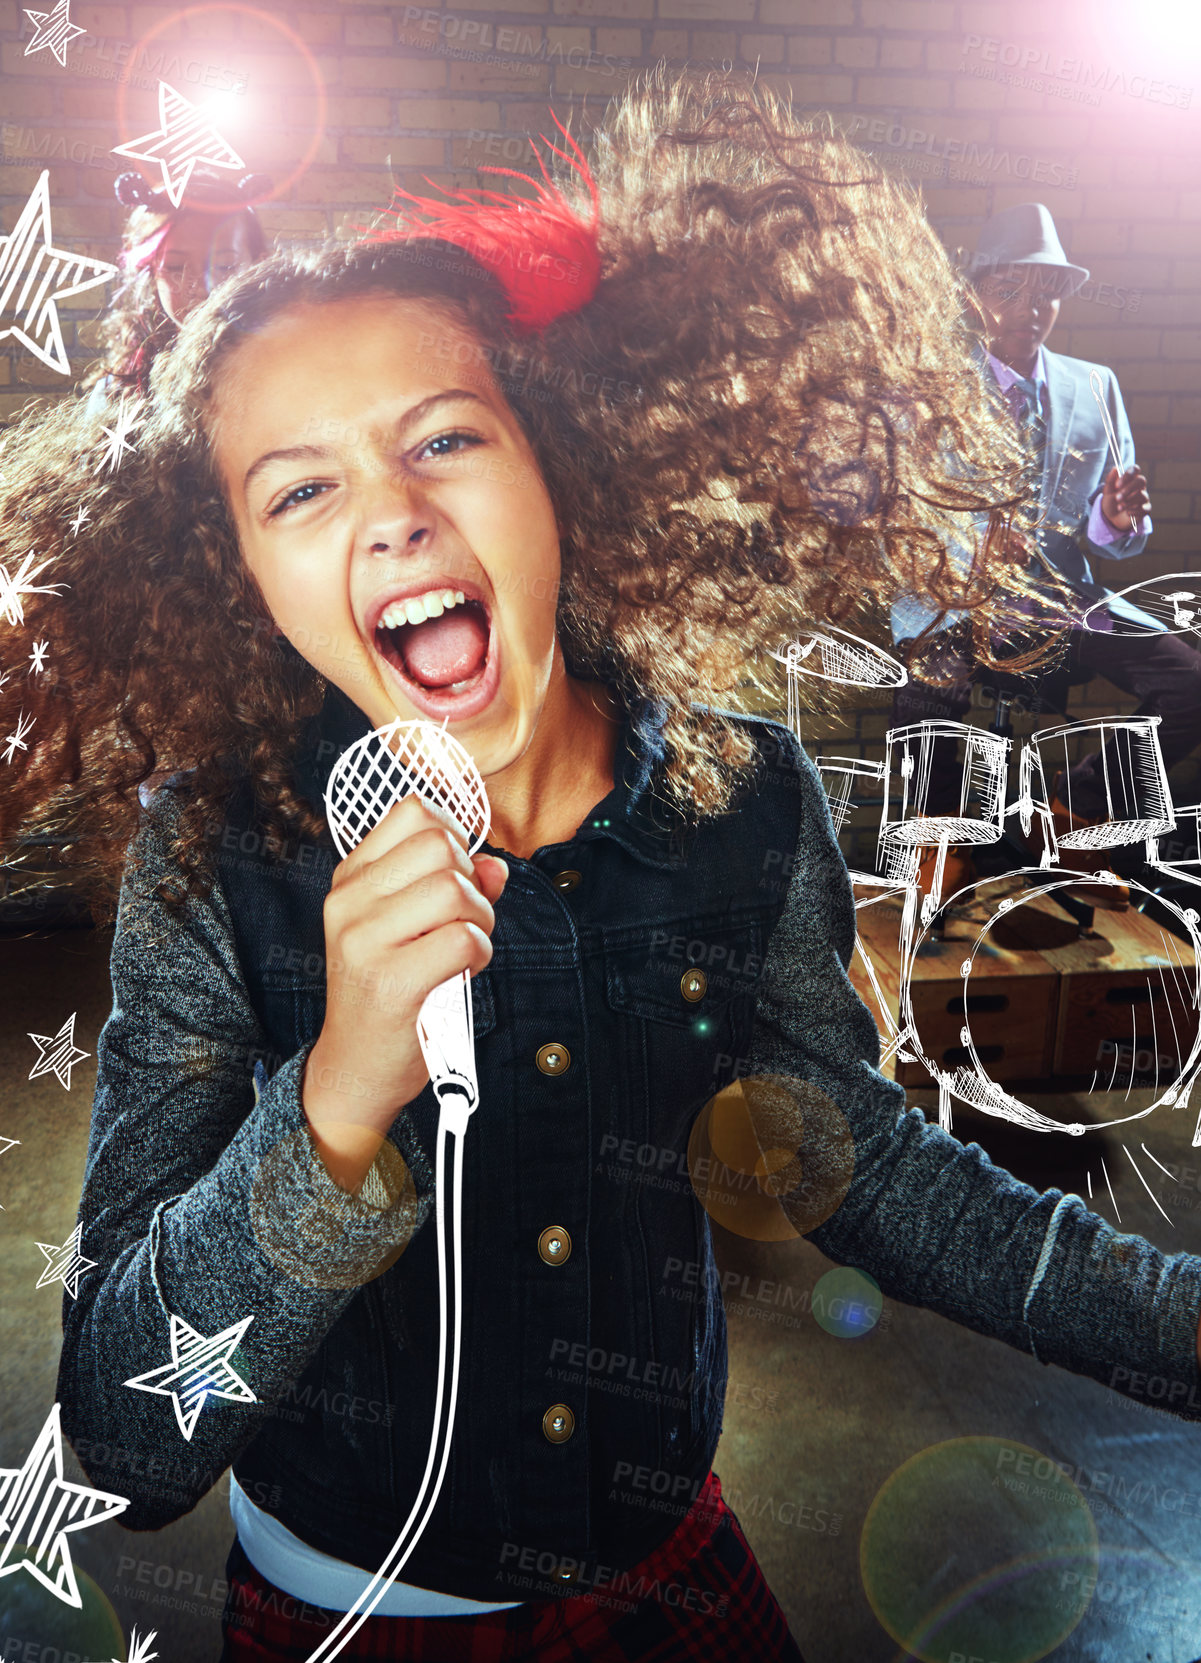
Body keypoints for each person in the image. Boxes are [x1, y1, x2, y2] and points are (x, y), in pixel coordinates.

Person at [4, 76, 1201, 1662]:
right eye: (300, 488)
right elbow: (130, 1439)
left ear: (562, 463)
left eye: (445, 437)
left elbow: (867, 1169)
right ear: (236, 577)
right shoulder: (208, 860)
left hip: (664, 1563)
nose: (390, 517)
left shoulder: (746, 797)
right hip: (348, 1606)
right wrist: (340, 1086)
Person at [890, 201, 1201, 898]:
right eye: (1009, 289)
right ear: (976, 294)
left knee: (1187, 684)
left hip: (1062, 598)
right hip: (958, 596)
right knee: (926, 687)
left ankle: (1072, 810)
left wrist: (1109, 520)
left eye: (1045, 292)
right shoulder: (929, 386)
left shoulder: (1095, 385)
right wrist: (970, 556)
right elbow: (901, 508)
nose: (1029, 308)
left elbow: (1115, 541)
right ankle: (939, 842)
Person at [84, 164, 271, 398]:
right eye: (175, 268)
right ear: (151, 272)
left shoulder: (296, 363)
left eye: (225, 266)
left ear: (258, 266)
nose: (204, 287)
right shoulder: (120, 389)